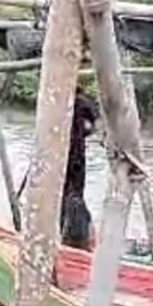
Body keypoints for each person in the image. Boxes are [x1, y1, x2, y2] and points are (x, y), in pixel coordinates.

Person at [61, 88, 99, 250]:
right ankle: (67, 228)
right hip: (72, 152)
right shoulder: (79, 103)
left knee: (68, 192)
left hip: (69, 152)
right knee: (72, 191)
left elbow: (96, 123)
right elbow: (96, 124)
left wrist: (83, 132)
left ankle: (69, 231)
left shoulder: (77, 103)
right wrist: (85, 132)